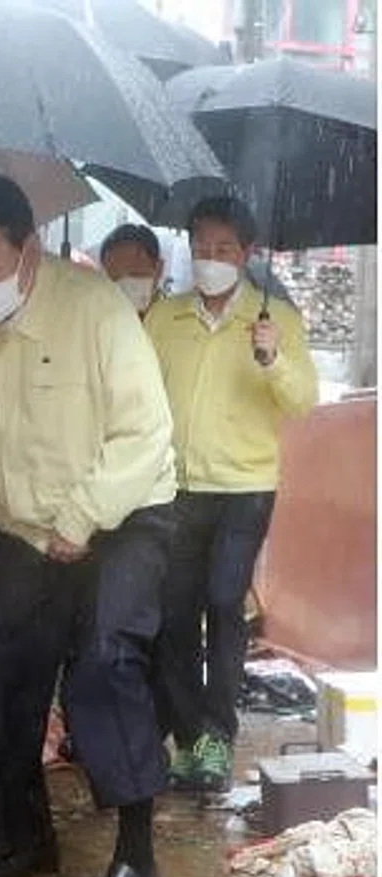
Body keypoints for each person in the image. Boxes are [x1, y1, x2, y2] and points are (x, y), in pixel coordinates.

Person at [0, 173, 179, 877]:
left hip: (124, 514)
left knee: (105, 664)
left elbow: (146, 435)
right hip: (30, 531)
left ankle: (137, 860)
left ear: (29, 248)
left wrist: (81, 517)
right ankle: (25, 835)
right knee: (2, 673)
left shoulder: (96, 309)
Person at [145, 197, 317, 792]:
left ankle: (218, 735)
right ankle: (190, 738)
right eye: (200, 248)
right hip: (176, 486)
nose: (210, 260)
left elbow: (302, 403)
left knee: (223, 604)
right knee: (172, 613)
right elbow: (139, 392)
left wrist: (271, 358)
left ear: (246, 253)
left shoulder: (278, 321)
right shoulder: (164, 318)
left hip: (245, 487)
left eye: (223, 249)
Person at [99, 223, 164, 315]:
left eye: (133, 275)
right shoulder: (99, 317)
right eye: (114, 279)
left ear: (159, 269)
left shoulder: (175, 319)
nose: (124, 287)